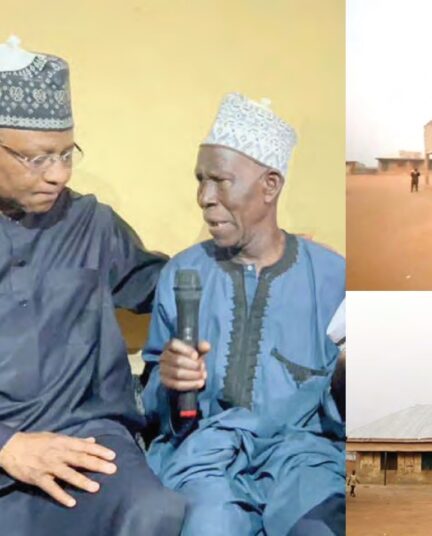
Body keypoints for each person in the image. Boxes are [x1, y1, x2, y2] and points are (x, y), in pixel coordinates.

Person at [0, 36, 186, 535]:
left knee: (155, 511)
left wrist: (245, 258)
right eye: (37, 158)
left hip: (87, 440)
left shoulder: (91, 223)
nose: (58, 174)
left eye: (67, 154)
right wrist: (8, 446)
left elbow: (162, 284)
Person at [142, 93, 346, 536]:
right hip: (205, 458)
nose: (204, 197)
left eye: (220, 180)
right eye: (199, 180)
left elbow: (347, 410)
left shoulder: (331, 275)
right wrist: (170, 384)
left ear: (270, 186)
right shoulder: (183, 272)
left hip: (304, 457)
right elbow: (154, 406)